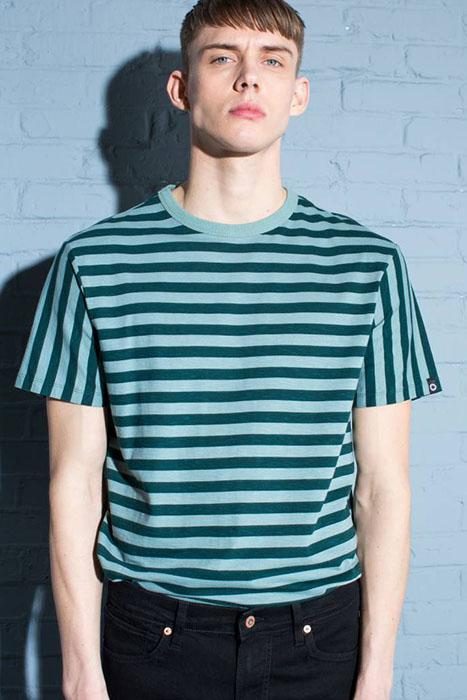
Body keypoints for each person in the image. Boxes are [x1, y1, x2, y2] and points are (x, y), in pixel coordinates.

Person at [13, 1, 444, 698]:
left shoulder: (367, 265)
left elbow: (382, 488)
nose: (249, 77)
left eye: (272, 60)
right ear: (181, 89)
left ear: (297, 94)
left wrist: (376, 671)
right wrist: (81, 670)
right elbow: (73, 482)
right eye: (222, 57)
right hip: (151, 635)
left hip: (319, 636)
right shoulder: (95, 262)